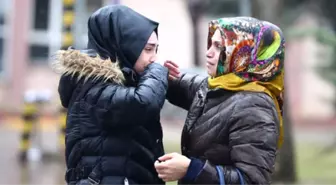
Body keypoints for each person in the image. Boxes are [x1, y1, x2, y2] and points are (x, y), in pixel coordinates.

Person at [154, 17, 284, 185]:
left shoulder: (255, 106)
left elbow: (252, 180)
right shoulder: (221, 86)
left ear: (244, 53)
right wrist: (154, 72)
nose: (208, 52)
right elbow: (183, 85)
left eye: (219, 47)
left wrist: (192, 169)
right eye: (211, 44)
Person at [53, 5, 168, 185]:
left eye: (156, 50)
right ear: (125, 45)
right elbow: (143, 103)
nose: (154, 58)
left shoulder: (124, 82)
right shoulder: (91, 85)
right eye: (148, 49)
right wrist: (159, 72)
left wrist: (175, 81)